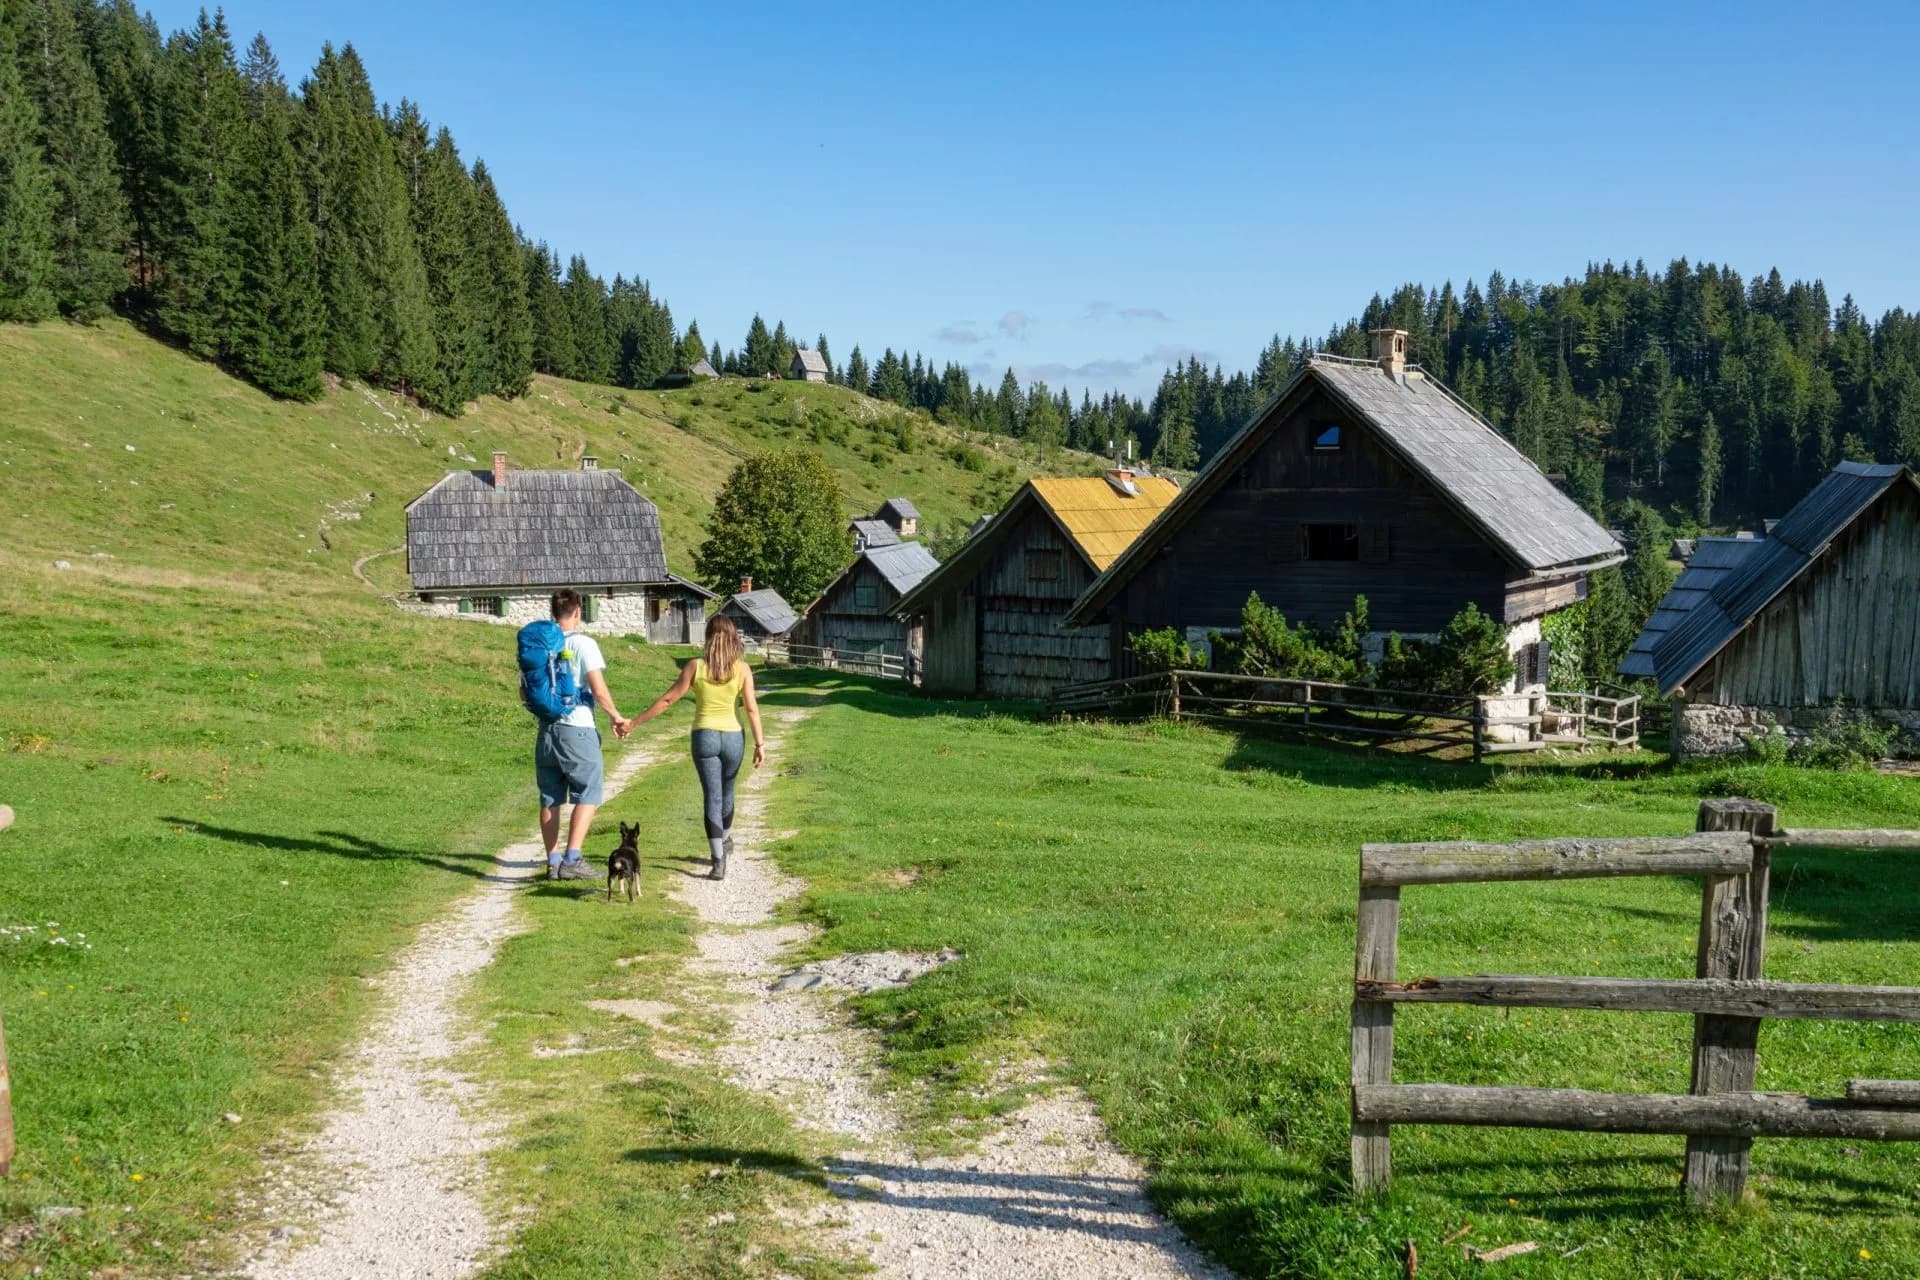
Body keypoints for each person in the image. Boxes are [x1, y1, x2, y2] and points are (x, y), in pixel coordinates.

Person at [623, 615, 764, 880]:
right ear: (734, 637)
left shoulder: (695, 667)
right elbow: (752, 709)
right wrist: (760, 743)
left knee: (712, 797)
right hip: (734, 736)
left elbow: (667, 700)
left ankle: (718, 860)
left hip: (705, 736)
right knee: (728, 791)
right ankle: (726, 839)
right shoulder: (742, 669)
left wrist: (634, 722)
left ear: (708, 637)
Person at [536, 589, 634, 880]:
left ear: (553, 612)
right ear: (578, 611)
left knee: (550, 798)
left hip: (546, 731)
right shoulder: (583, 644)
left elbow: (524, 691)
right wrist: (616, 717)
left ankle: (553, 862)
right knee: (588, 793)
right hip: (577, 729)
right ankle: (573, 859)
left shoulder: (540, 647)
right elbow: (598, 689)